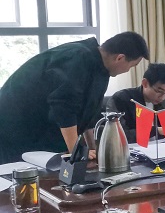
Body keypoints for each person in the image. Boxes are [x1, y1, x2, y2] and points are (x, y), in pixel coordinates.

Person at [0, 32, 149, 164]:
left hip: (36, 130)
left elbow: (89, 115)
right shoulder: (78, 57)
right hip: (14, 127)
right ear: (120, 58)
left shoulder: (102, 69)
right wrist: (75, 152)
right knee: (23, 178)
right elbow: (64, 106)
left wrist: (93, 149)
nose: (128, 71)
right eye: (131, 66)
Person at [107, 63, 165, 144]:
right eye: (159, 91)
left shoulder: (163, 102)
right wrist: (156, 130)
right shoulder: (122, 99)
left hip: (159, 149)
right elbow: (117, 135)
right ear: (145, 83)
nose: (162, 97)